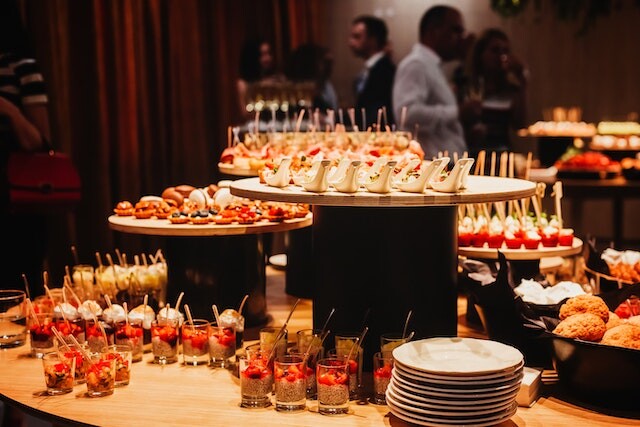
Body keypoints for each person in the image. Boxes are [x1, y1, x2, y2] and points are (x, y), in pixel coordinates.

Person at [0, 0, 51, 293]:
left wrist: (8, 110)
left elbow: (40, 141)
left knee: (18, 291)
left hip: (16, 205)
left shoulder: (21, 66)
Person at [392, 5, 480, 159]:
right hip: (433, 165)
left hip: (444, 163)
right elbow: (407, 114)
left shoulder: (432, 65)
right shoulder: (416, 64)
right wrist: (457, 112)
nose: (461, 38)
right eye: (456, 30)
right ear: (434, 31)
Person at [459, 28, 528, 156]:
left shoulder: (510, 89)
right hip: (470, 155)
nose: (501, 56)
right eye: (495, 50)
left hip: (502, 154)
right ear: (481, 54)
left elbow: (519, 125)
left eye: (505, 51)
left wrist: (522, 81)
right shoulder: (465, 86)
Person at [349, 15, 395, 130]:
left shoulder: (384, 71)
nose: (351, 42)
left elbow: (371, 112)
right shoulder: (372, 68)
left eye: (357, 37)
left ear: (373, 40)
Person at [236, 37, 285, 125]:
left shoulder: (278, 78)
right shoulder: (243, 83)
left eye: (269, 53)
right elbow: (245, 113)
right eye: (263, 55)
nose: (268, 58)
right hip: (256, 126)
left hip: (278, 125)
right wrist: (261, 88)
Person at [286, 42, 338, 115]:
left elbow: (333, 111)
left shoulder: (326, 85)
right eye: (324, 62)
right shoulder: (299, 92)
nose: (328, 68)